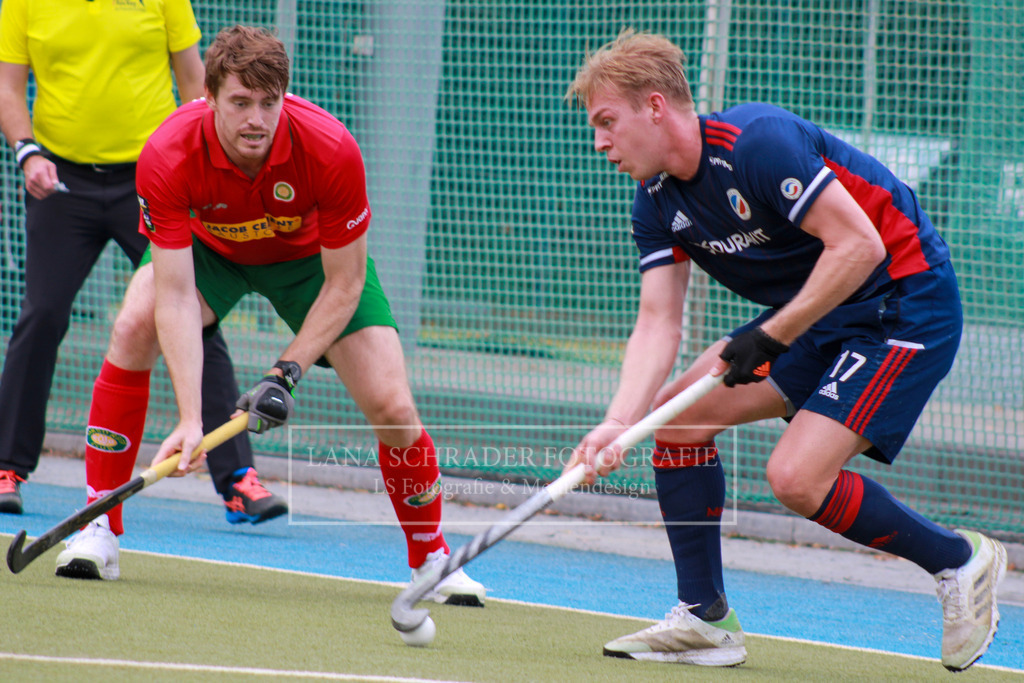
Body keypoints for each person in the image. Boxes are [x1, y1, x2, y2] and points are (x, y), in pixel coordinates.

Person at [565, 29, 1005, 671]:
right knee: (676, 422)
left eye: (607, 122)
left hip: (904, 299)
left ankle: (959, 559)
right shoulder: (655, 202)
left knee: (796, 479)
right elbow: (658, 323)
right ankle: (704, 619)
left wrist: (773, 334)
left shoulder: (757, 144)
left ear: (655, 106)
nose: (599, 142)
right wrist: (617, 422)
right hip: (820, 314)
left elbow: (860, 246)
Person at [54, 24, 488, 605]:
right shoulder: (167, 152)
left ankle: (431, 558)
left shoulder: (330, 147)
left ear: (284, 96)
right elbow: (175, 296)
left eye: (268, 102)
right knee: (132, 324)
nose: (255, 119)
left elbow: (345, 282)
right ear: (209, 97)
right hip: (212, 253)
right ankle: (97, 527)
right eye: (240, 103)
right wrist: (190, 419)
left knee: (393, 406)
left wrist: (284, 373)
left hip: (309, 266)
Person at [0, 0, 286, 526]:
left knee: (195, 314)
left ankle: (237, 479)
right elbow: (8, 86)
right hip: (61, 181)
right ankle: (6, 467)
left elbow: (196, 82)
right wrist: (27, 151)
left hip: (154, 176)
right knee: (41, 315)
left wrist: (199, 165)